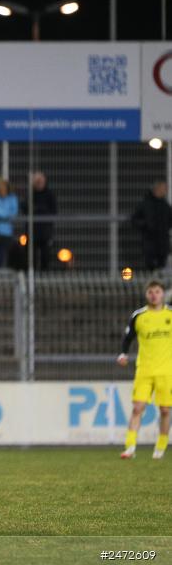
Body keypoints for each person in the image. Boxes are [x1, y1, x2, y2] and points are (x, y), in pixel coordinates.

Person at [117, 279, 172, 460]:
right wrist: (123, 354)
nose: (154, 295)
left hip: (167, 371)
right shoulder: (139, 316)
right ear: (146, 294)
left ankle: (160, 447)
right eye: (150, 292)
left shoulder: (170, 314)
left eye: (157, 291)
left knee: (165, 410)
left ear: (163, 294)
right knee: (137, 408)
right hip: (145, 370)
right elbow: (128, 338)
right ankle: (130, 447)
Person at [20, 171, 58, 271]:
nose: (39, 183)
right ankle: (31, 275)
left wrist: (39, 210)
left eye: (40, 181)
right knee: (30, 256)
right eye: (36, 181)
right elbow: (24, 208)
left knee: (45, 255)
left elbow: (54, 211)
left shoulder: (50, 194)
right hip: (32, 231)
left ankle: (44, 277)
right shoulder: (30, 194)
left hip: (45, 231)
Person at [131, 180, 172, 271]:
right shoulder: (145, 204)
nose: (165, 191)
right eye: (163, 189)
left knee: (162, 265)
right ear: (156, 189)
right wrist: (145, 225)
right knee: (149, 265)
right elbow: (134, 219)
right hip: (149, 241)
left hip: (162, 241)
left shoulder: (165, 205)